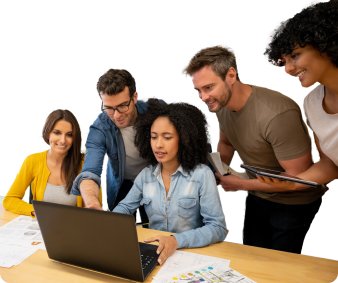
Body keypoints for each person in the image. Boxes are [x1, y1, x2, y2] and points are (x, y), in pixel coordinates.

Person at [178, 44, 326, 254]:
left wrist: (241, 185)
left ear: (231, 75)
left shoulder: (277, 114)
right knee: (251, 256)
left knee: (281, 267)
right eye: (198, 90)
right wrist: (218, 173)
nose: (203, 97)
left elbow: (298, 179)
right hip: (257, 192)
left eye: (208, 87)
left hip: (293, 202)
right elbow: (227, 144)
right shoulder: (222, 104)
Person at [113, 98, 228, 265]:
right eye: (153, 137)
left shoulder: (202, 175)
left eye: (167, 137)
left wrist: (176, 240)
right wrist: (107, 224)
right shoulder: (145, 175)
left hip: (191, 256)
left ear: (184, 139)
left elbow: (218, 228)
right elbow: (125, 207)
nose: (158, 145)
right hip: (156, 255)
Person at [256, 0, 338, 190]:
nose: (288, 69)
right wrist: (291, 183)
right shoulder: (311, 103)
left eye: (295, 55)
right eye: (283, 61)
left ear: (324, 45)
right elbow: (331, 163)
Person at [70, 68, 165, 226]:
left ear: (134, 97)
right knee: (120, 228)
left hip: (156, 180)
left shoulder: (156, 109)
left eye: (122, 106)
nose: (117, 115)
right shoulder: (99, 128)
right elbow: (89, 173)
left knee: (155, 227)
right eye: (109, 108)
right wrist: (93, 204)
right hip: (123, 183)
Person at [3, 109, 102, 217]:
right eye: (57, 133)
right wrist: (35, 211)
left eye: (69, 134)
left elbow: (96, 209)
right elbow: (9, 200)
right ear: (47, 133)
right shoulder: (32, 161)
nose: (63, 140)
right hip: (43, 228)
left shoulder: (87, 164)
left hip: (75, 229)